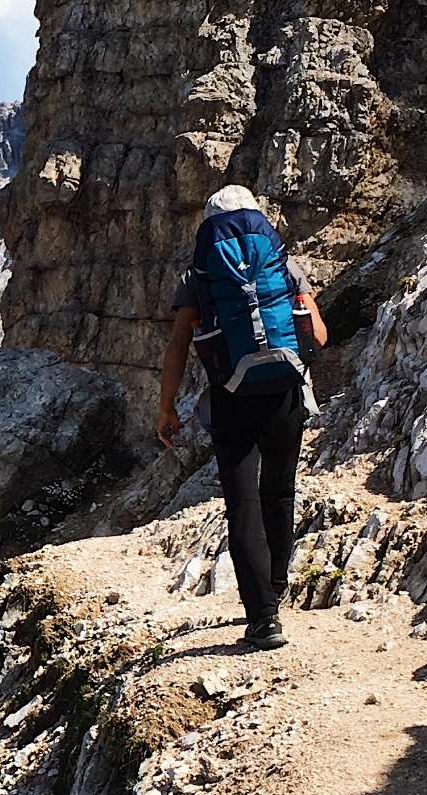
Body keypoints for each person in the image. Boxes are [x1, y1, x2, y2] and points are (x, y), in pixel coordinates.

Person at [155, 185, 328, 651]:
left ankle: (262, 618)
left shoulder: (200, 271)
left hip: (230, 395)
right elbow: (321, 334)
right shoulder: (283, 261)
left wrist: (167, 406)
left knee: (242, 501)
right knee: (279, 490)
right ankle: (275, 587)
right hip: (285, 393)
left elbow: (177, 346)